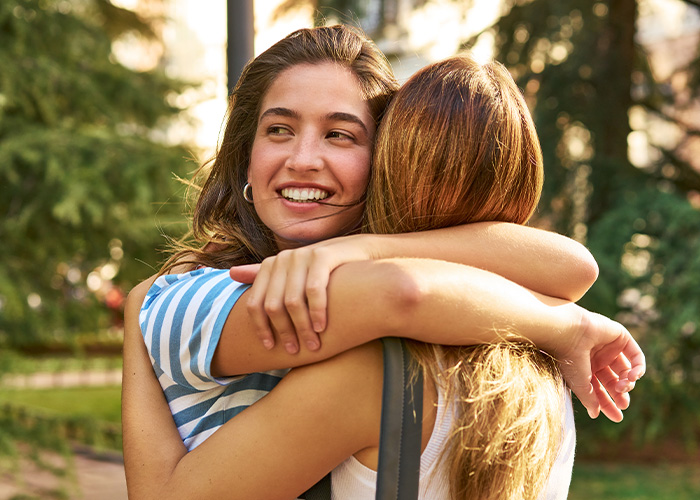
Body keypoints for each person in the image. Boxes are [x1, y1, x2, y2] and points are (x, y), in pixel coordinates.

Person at [122, 26, 644, 500]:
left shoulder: (409, 339)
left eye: (340, 134)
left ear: (384, 163)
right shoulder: (206, 294)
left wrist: (357, 247)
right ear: (246, 157)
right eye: (279, 129)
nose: (303, 158)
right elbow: (400, 292)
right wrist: (563, 324)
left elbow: (574, 266)